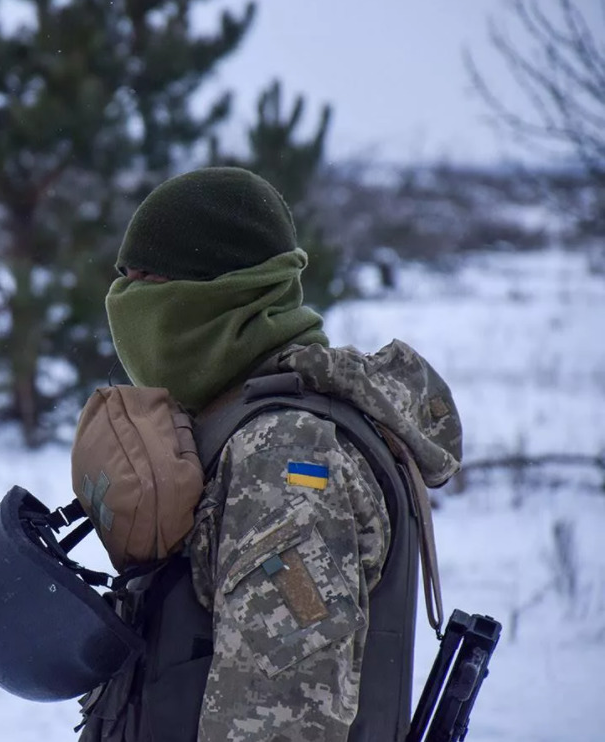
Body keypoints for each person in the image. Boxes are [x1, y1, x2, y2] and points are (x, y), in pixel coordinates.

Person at [85, 167, 462, 741]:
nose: (128, 304)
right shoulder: (230, 421)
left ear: (223, 291)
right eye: (125, 279)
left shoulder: (288, 454)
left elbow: (280, 716)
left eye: (150, 281)